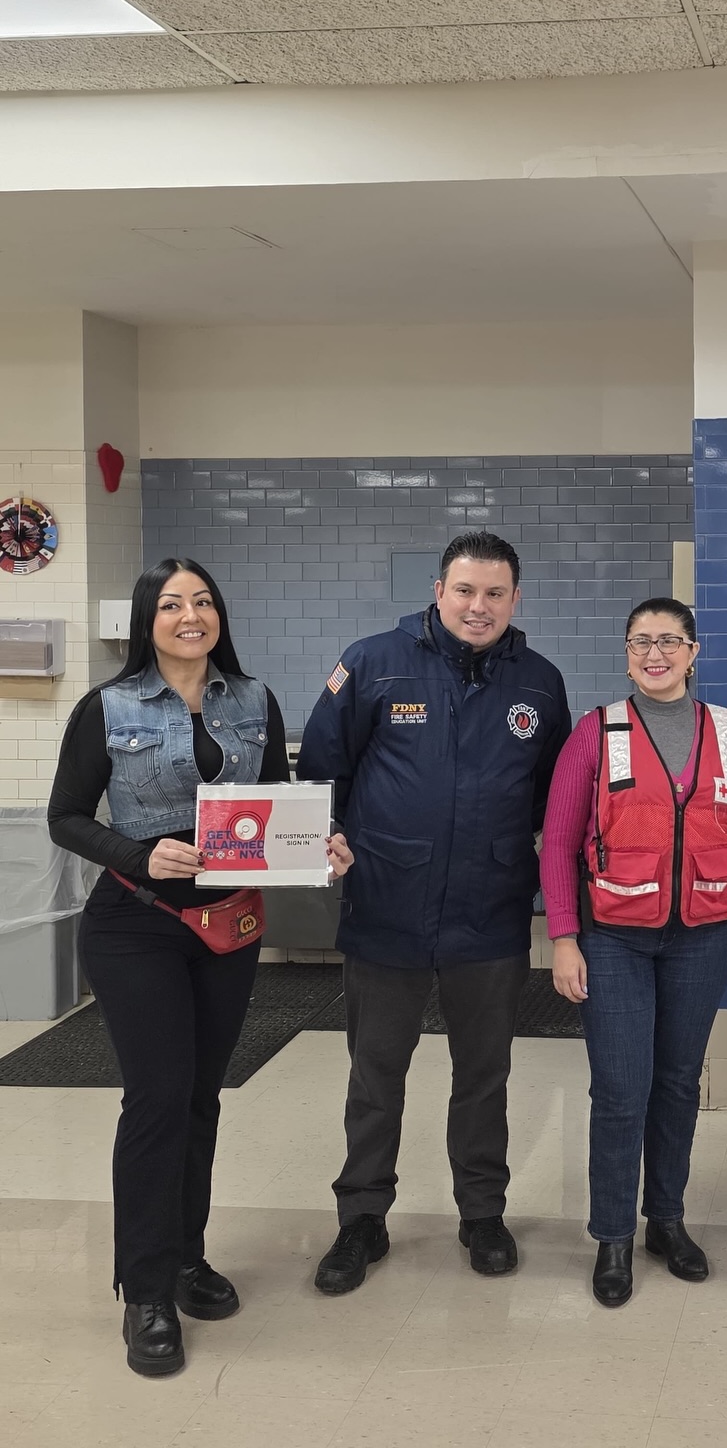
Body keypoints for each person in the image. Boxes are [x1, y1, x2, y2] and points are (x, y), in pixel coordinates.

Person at [47, 559, 354, 1378]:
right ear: (147, 619)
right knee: (157, 1101)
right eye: (173, 604)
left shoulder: (252, 700)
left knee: (199, 1099)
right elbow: (66, 817)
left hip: (229, 927)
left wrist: (319, 841)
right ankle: (145, 1290)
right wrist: (139, 855)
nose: (191, 615)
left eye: (204, 601)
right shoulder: (108, 707)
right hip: (135, 924)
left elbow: (278, 801)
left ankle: (186, 1257)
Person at [298, 530, 569, 1293]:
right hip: (387, 908)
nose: (478, 606)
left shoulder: (540, 683)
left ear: (515, 599)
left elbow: (554, 798)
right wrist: (328, 837)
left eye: (494, 593)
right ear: (439, 591)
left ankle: (482, 1213)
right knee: (375, 1074)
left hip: (490, 914)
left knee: (483, 1075)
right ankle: (362, 1218)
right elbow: (320, 772)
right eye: (465, 590)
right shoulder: (373, 664)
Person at [541, 598, 727, 1306]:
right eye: (641, 641)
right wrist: (564, 938)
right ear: (627, 653)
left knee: (676, 1083)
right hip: (613, 939)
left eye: (669, 641)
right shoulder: (596, 731)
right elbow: (559, 841)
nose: (654, 654)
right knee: (620, 1089)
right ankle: (613, 1235)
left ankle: (666, 1220)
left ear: (695, 652)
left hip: (707, 934)